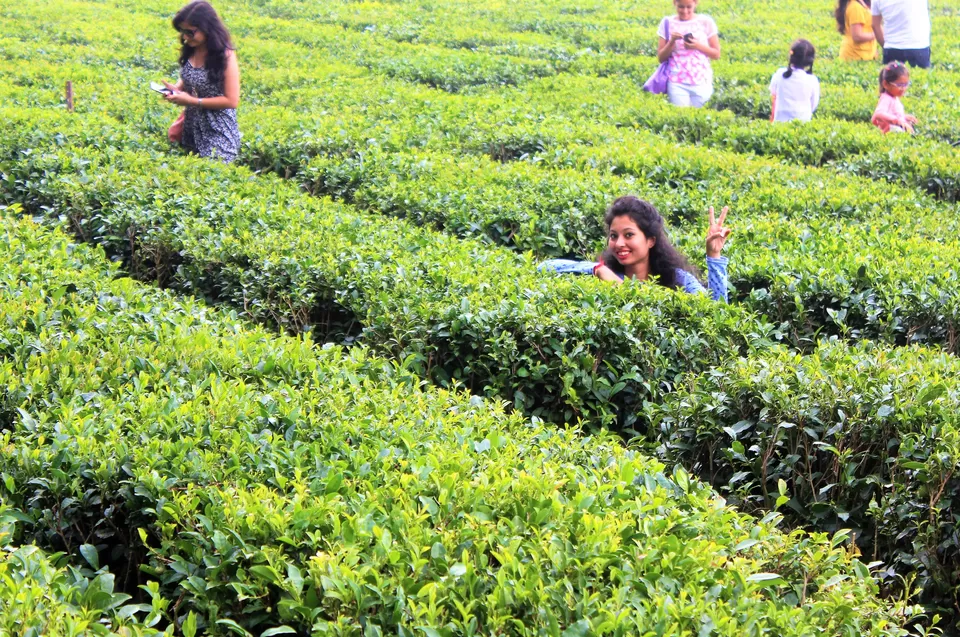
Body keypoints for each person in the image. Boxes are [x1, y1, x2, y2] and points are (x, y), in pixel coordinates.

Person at [538, 197, 732, 303]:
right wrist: (597, 269)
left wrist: (714, 255)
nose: (619, 243)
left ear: (650, 240)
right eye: (614, 236)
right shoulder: (607, 275)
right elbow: (545, 267)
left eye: (629, 235)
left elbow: (716, 311)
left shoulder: (677, 279)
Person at [161, 1, 241, 162]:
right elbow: (190, 76)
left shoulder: (225, 55)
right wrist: (177, 89)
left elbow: (232, 100)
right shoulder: (192, 48)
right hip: (190, 126)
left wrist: (192, 100)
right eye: (182, 31)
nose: (185, 37)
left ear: (207, 28)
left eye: (190, 32)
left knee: (214, 166)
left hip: (217, 128)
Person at [656, 0, 721, 108]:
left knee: (700, 118)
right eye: (681, 7)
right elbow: (661, 58)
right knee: (680, 118)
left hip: (701, 80)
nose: (685, 11)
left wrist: (697, 45)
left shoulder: (706, 22)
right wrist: (672, 42)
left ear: (696, 4)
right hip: (676, 80)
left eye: (689, 7)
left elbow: (716, 54)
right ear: (674, 3)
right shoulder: (667, 22)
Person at [769, 40, 820, 123]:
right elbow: (813, 105)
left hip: (779, 124)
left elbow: (773, 95)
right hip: (803, 124)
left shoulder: (780, 74)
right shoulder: (812, 80)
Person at [871, 0, 931, 68]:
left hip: (891, 49)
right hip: (918, 47)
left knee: (892, 78)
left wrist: (887, 45)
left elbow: (875, 25)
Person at [871, 61, 917, 133]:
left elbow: (874, 119)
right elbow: (878, 114)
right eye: (899, 85)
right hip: (892, 133)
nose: (903, 88)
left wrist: (903, 117)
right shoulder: (886, 98)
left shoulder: (894, 97)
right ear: (886, 84)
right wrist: (897, 121)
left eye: (906, 84)